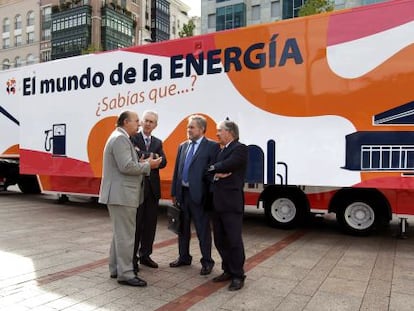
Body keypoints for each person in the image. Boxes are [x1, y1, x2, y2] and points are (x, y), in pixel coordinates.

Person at [98, 110, 162, 287]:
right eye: (136, 121)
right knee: (126, 236)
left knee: (119, 234)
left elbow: (126, 164)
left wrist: (143, 163)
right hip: (122, 195)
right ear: (126, 122)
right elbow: (126, 166)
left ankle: (115, 269)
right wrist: (149, 165)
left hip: (120, 194)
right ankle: (126, 274)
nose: (139, 124)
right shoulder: (120, 138)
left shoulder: (120, 137)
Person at [170, 114, 220, 275]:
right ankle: (184, 257)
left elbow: (213, 173)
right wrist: (174, 192)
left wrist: (210, 195)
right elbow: (177, 170)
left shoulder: (212, 147)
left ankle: (207, 261)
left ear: (201, 129)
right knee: (182, 229)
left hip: (200, 196)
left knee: (202, 230)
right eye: (188, 127)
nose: (188, 130)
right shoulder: (182, 146)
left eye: (191, 127)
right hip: (183, 194)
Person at [208, 120, 248, 291]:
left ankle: (238, 275)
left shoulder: (240, 148)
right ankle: (228, 270)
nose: (217, 134)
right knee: (220, 240)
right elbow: (209, 171)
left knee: (233, 240)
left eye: (219, 131)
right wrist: (216, 172)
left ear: (230, 132)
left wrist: (214, 168)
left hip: (231, 204)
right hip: (217, 203)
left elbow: (230, 164)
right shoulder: (220, 150)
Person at [130, 110, 167, 273]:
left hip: (152, 190)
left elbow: (164, 161)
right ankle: (132, 259)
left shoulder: (158, 142)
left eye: (151, 122)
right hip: (137, 188)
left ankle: (146, 255)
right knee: (136, 225)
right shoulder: (133, 138)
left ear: (155, 125)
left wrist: (148, 157)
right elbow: (136, 156)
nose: (148, 124)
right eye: (146, 120)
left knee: (150, 225)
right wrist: (152, 156)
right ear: (141, 122)